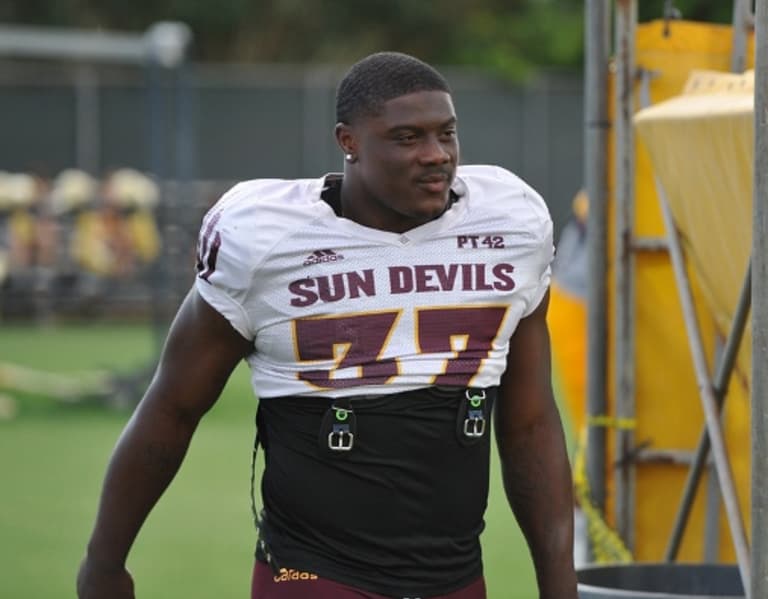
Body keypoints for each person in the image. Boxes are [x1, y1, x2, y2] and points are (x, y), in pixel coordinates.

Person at [77, 51, 577, 599]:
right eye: (407, 137)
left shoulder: (508, 224)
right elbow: (173, 406)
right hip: (312, 571)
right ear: (349, 141)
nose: (437, 155)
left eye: (447, 133)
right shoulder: (268, 239)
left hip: (455, 575)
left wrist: (559, 585)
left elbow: (530, 422)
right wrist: (105, 562)